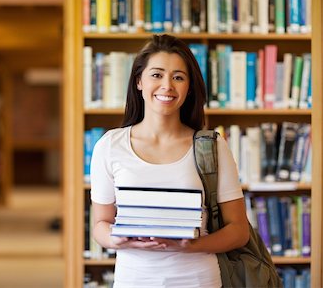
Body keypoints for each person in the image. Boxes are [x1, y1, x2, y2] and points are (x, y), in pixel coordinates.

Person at [90, 34, 250, 288]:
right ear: (139, 82)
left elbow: (239, 230)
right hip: (134, 280)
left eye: (178, 77)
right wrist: (116, 239)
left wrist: (191, 245)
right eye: (156, 75)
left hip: (198, 280)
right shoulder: (110, 146)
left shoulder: (212, 146)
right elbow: (100, 224)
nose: (167, 86)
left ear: (189, 87)